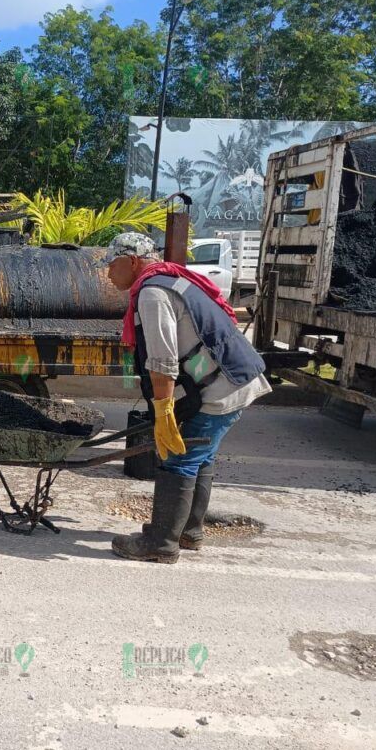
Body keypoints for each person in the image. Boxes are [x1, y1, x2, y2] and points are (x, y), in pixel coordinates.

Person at [102, 232, 271, 564]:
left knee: (179, 460)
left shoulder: (152, 294)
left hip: (221, 388)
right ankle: (189, 531)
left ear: (132, 261)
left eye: (112, 265)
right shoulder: (171, 279)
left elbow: (162, 360)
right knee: (199, 456)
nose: (108, 274)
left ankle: (161, 544)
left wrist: (164, 410)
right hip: (235, 380)